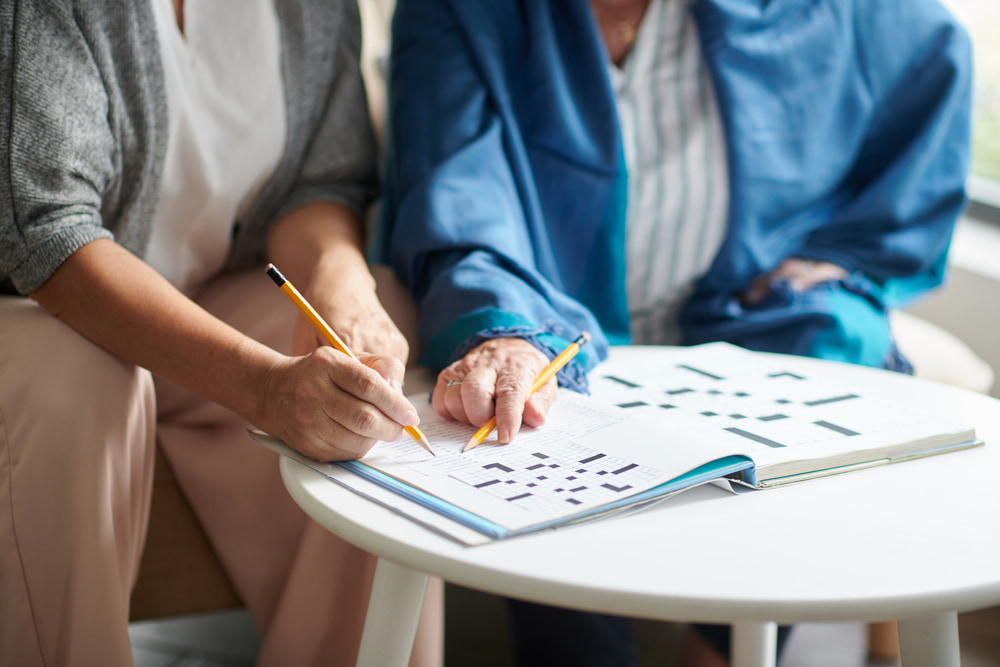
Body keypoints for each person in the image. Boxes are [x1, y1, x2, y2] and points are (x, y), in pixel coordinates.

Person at [375, 0, 972, 664]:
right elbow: (458, 199)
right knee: (521, 408)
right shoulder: (457, 11)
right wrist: (508, 330)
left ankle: (720, 651)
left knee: (839, 340)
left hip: (737, 315)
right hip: (551, 316)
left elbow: (931, 48)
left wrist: (848, 251)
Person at [0, 0, 443, 665]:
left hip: (198, 294)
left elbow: (317, 183)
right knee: (81, 375)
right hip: (35, 312)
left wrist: (342, 283)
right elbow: (48, 235)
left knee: (378, 335)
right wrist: (262, 388)